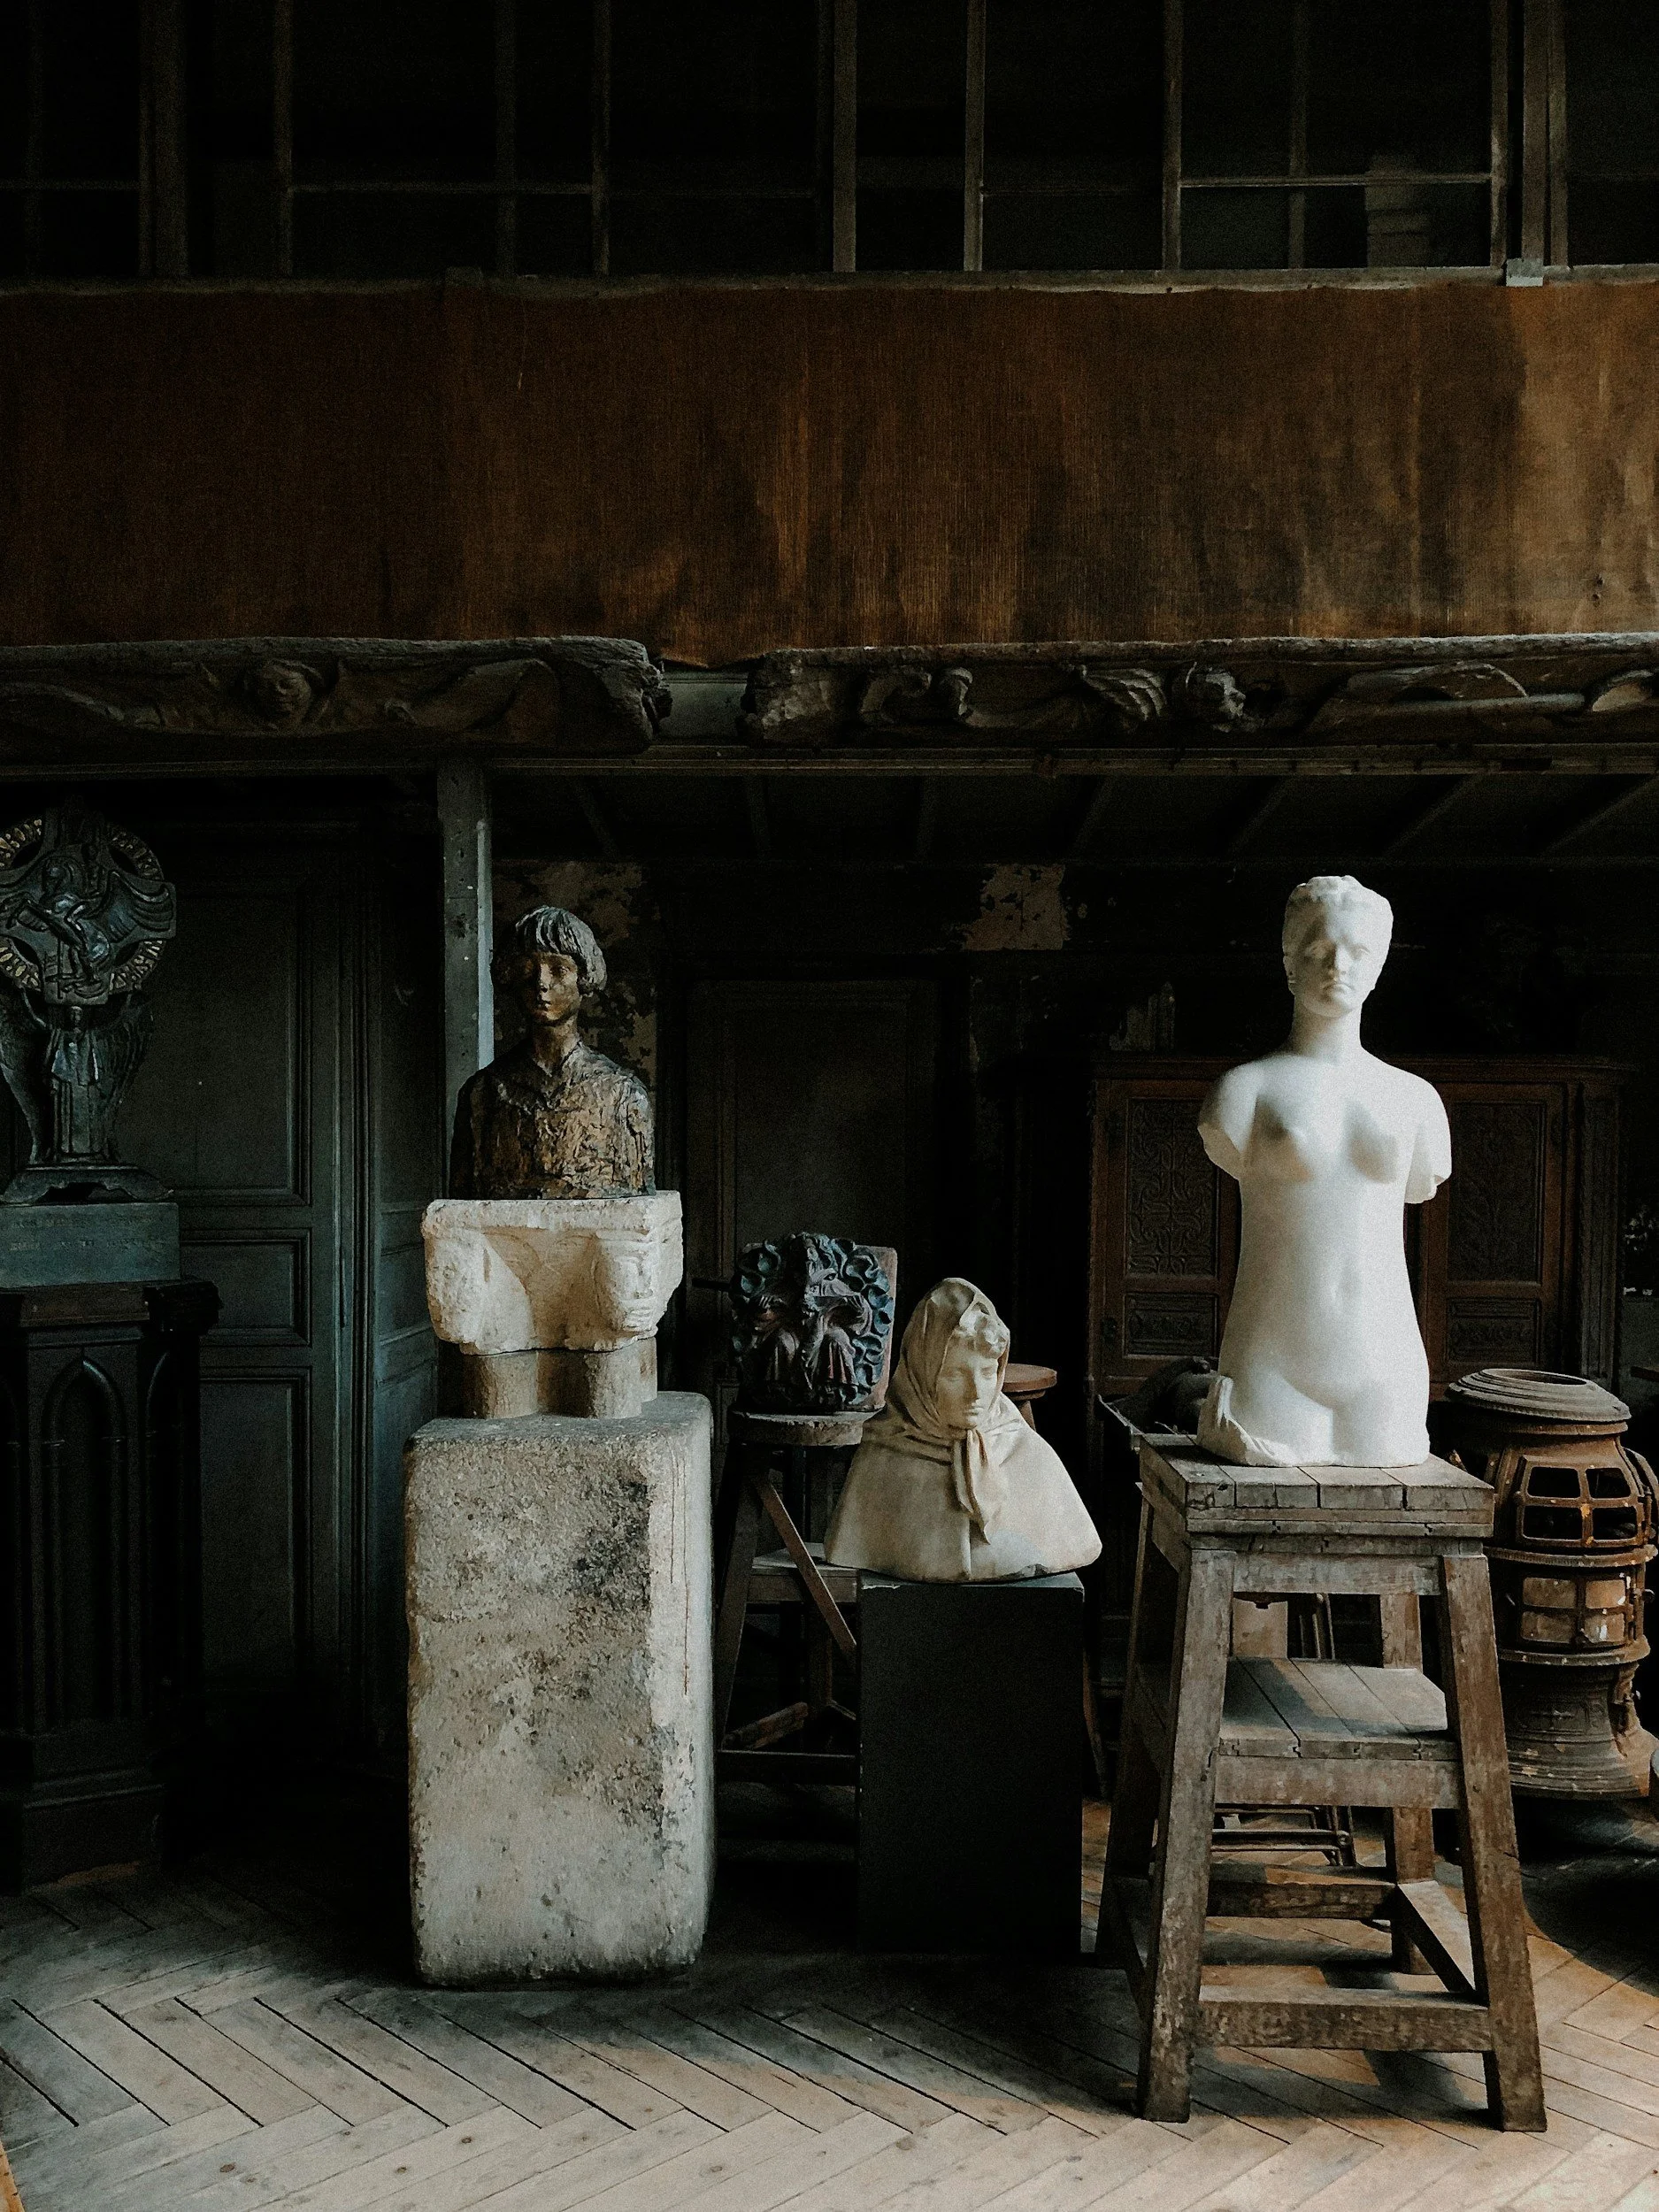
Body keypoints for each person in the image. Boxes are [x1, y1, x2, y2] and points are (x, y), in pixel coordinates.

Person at [1196, 875, 1451, 1468]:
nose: (1337, 965)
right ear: (1289, 961)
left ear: (1380, 965)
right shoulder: (1243, 1092)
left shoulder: (1413, 1100)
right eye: (1317, 947)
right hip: (1271, 1363)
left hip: (1384, 1362)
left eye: (1358, 951)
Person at [825, 1277, 1101, 1581]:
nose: (977, 1393)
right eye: (955, 1375)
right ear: (922, 1377)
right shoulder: (884, 1457)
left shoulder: (1027, 1452)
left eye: (986, 1372)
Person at [449, 904, 652, 1201]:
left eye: (558, 969)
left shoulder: (623, 1095)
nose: (542, 984)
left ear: (583, 977)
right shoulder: (483, 1092)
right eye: (528, 969)